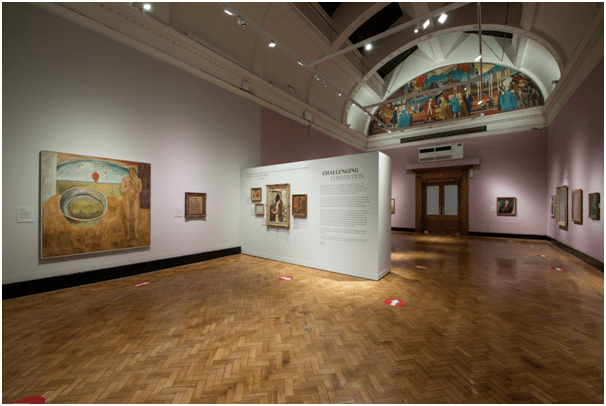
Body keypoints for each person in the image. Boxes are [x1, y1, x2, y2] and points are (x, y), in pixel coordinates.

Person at [121, 167, 142, 240]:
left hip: (136, 198)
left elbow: (140, 190)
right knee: (128, 217)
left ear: (135, 173)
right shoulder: (125, 179)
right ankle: (128, 234)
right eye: (131, 173)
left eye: (134, 173)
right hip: (127, 198)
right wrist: (129, 186)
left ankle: (136, 233)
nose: (132, 174)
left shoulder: (138, 180)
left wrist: (135, 187)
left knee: (136, 216)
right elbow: (122, 190)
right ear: (129, 172)